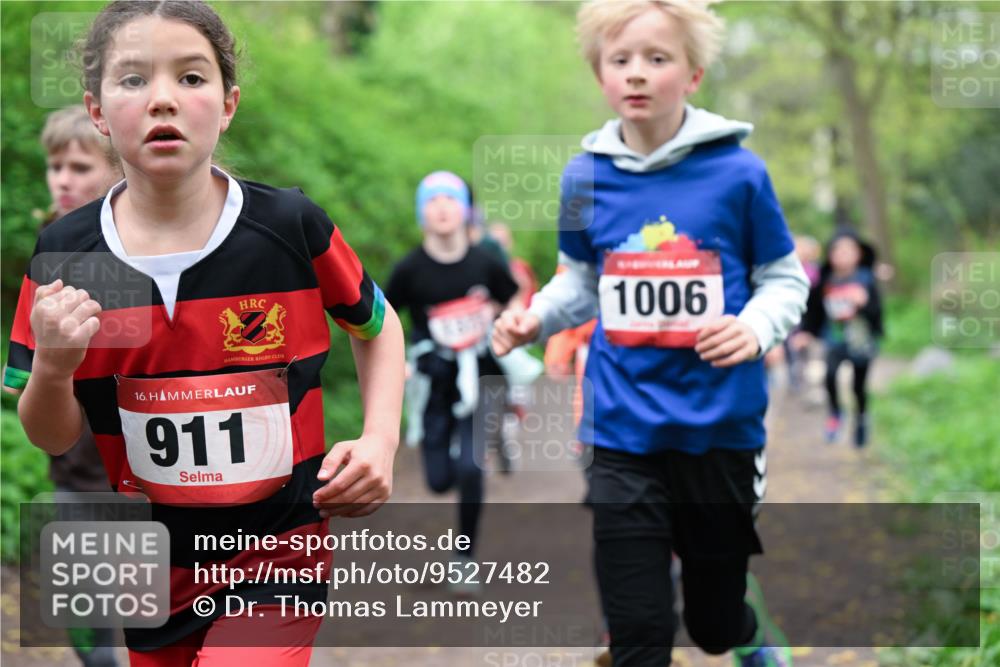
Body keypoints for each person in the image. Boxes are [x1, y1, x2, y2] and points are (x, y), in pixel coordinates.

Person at [4, 2, 404, 664]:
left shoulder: (290, 227)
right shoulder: (64, 256)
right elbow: (51, 433)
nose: (163, 98)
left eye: (191, 78)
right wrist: (52, 367)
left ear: (228, 104)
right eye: (133, 79)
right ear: (98, 112)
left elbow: (377, 323)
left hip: (279, 550)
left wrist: (382, 439)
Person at [491, 2, 809, 665]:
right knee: (638, 629)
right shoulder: (583, 176)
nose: (637, 74)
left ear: (693, 74)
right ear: (600, 73)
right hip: (621, 425)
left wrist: (754, 326)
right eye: (620, 60)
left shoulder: (740, 173)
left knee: (714, 624)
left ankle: (743, 627)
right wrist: (535, 316)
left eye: (657, 59)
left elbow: (784, 277)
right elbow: (579, 279)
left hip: (719, 427)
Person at [386, 171, 518, 570]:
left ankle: (464, 557)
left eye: (450, 199)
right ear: (421, 212)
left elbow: (513, 299)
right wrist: (398, 364)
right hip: (434, 381)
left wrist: (504, 323)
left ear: (466, 211)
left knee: (470, 467)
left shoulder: (485, 263)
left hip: (483, 376)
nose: (442, 207)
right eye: (432, 200)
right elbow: (382, 319)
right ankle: (466, 474)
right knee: (439, 479)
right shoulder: (409, 268)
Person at [33, 105, 124, 667]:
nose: (63, 179)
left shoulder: (150, 254)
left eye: (79, 166)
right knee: (89, 636)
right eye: (55, 165)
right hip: (75, 474)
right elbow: (29, 370)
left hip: (147, 479)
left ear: (119, 169)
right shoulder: (51, 249)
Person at [797, 227, 884, 447]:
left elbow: (877, 312)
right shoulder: (825, 281)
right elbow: (813, 309)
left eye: (849, 251)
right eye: (838, 250)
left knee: (858, 386)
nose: (843, 255)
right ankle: (836, 414)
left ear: (859, 254)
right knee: (830, 375)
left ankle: (862, 419)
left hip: (861, 342)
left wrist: (864, 303)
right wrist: (806, 332)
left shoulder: (866, 279)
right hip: (834, 339)